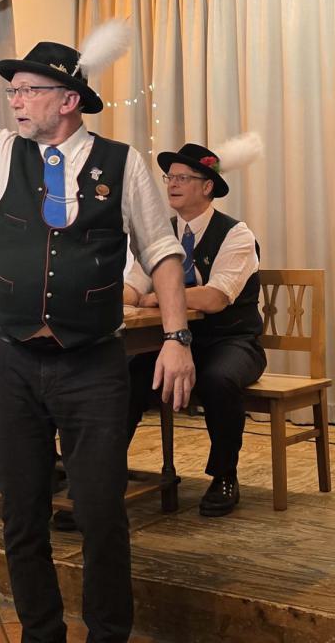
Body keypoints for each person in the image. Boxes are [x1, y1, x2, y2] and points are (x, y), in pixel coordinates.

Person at [0, 29, 196, 643]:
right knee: (22, 516)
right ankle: (40, 634)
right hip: (13, 360)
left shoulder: (121, 164)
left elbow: (161, 252)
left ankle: (107, 634)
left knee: (101, 515)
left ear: (68, 99)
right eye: (12, 91)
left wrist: (177, 339)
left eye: (27, 90)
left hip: (91, 365)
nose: (15, 101)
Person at [125, 141, 266, 517]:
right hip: (171, 343)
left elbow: (215, 297)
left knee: (219, 379)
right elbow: (134, 286)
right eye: (169, 177)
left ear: (207, 186)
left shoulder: (236, 234)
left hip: (231, 341)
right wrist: (114, 294)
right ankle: (101, 479)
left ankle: (224, 475)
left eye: (182, 178)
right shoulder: (160, 234)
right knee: (122, 377)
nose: (172, 184)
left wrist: (156, 297)